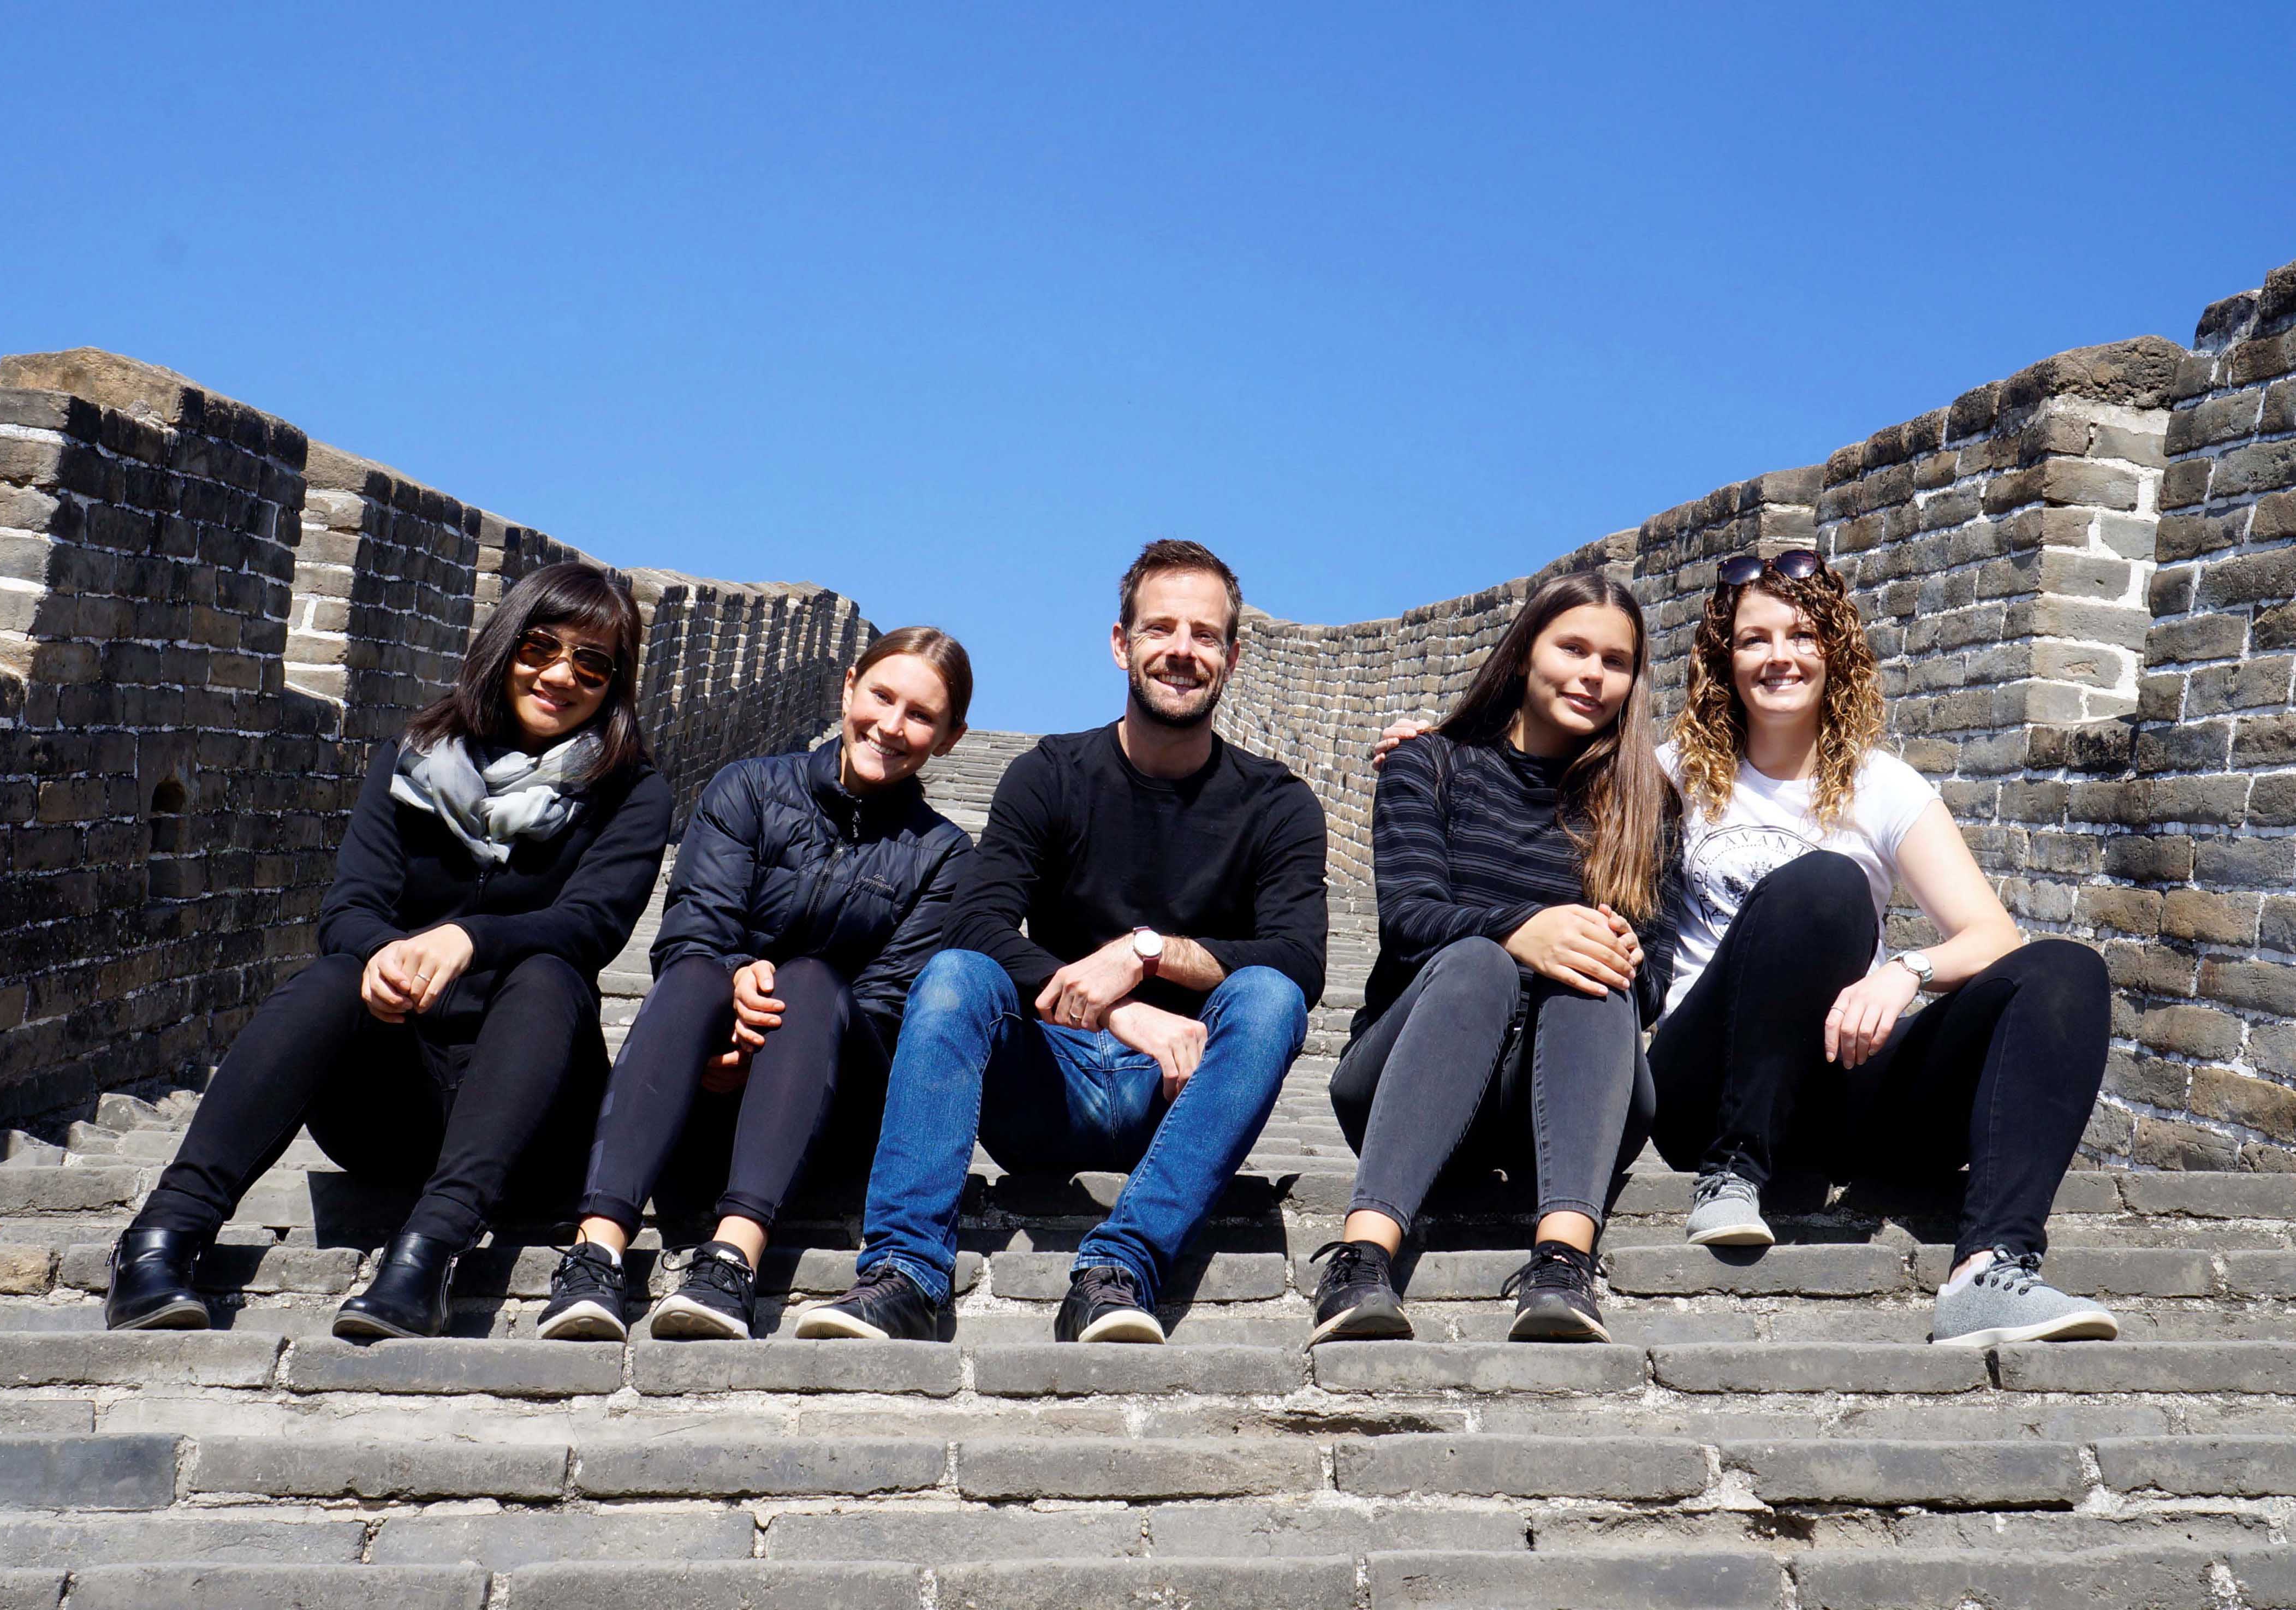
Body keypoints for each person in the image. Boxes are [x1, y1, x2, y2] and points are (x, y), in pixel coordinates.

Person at [1378, 550, 2119, 1348]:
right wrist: (1434, 742)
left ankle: (1990, 1268)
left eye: (1801, 635)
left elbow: (1993, 937)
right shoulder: (1658, 776)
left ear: (1832, 651)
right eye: (1753, 639)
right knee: (1825, 885)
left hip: (1843, 1079)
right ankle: (1733, 1170)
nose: (1779, 656)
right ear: (1721, 660)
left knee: (2063, 969)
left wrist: (1905, 972)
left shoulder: (1884, 785)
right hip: (1709, 1082)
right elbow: (1530, 777)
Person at [103, 562, 674, 1339]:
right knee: (337, 974)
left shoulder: (633, 792)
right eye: (542, 645)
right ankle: (162, 1236)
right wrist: (382, 956)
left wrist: (467, 936)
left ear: (614, 682)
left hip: (534, 1113)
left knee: (550, 973)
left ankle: (425, 1256)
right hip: (393, 1104)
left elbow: (592, 925)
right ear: (505, 644)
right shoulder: (414, 757)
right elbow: (350, 906)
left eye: (592, 662)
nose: (560, 674)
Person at [795, 540, 1327, 1345]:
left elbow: (1298, 957)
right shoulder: (1047, 775)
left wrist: (1145, 953)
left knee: (1271, 996)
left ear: (1232, 656)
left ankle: (1120, 1267)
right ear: (1121, 644)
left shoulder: (1277, 804)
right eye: (1159, 629)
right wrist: (1122, 1011)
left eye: (1204, 634)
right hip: (1046, 1081)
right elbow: (973, 924)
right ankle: (904, 1270)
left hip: (1181, 1095)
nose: (1181, 650)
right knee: (953, 975)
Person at [534, 628, 973, 1342]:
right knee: (701, 970)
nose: (891, 726)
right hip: (704, 1090)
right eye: (881, 696)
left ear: (950, 738)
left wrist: (771, 1033)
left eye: (920, 716)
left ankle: (734, 1261)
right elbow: (689, 932)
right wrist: (738, 984)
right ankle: (596, 1251)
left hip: (834, 1113)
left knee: (809, 977)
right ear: (848, 688)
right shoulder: (748, 789)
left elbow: (890, 1005)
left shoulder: (943, 854)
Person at [1313, 572, 1679, 1347]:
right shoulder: (1431, 765)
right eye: (1571, 647)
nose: (1592, 674)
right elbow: (1408, 920)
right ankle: (1361, 1258)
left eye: (1614, 661)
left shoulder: (1646, 805)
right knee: (1478, 961)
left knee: (1595, 966)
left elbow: (1650, 984)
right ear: (1522, 654)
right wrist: (1524, 931)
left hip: (1559, 1095)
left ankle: (1561, 1266)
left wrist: (1601, 945)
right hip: (1410, 1068)